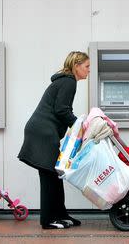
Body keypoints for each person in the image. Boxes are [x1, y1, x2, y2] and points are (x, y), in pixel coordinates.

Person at [18, 51, 90, 229]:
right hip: (42, 133)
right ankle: (48, 220)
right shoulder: (69, 82)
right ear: (76, 66)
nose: (89, 70)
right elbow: (61, 110)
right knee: (49, 176)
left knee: (55, 176)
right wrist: (81, 125)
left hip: (41, 131)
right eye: (87, 66)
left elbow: (60, 110)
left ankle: (60, 214)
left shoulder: (64, 80)